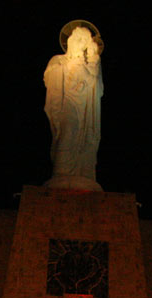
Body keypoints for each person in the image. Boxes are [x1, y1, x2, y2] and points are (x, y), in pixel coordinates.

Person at [43, 25, 103, 190]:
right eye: (78, 39)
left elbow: (97, 89)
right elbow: (53, 82)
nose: (81, 43)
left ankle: (84, 173)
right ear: (71, 41)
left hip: (86, 111)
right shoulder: (59, 60)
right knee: (68, 133)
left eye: (84, 41)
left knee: (86, 140)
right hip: (67, 105)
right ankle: (61, 173)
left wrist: (95, 63)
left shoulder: (90, 66)